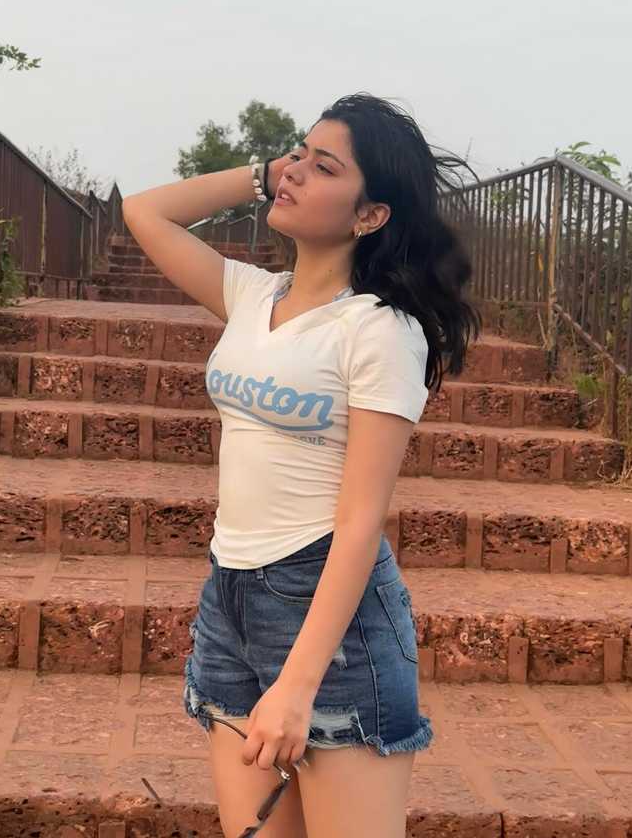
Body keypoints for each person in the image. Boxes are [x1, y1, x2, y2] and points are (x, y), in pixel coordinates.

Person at [123, 92, 481, 838]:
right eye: (297, 155)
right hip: (230, 594)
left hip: (329, 617)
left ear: (369, 215)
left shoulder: (379, 330)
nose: (294, 173)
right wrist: (262, 172)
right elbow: (145, 212)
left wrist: (298, 682)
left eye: (324, 168)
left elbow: (361, 519)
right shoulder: (252, 295)